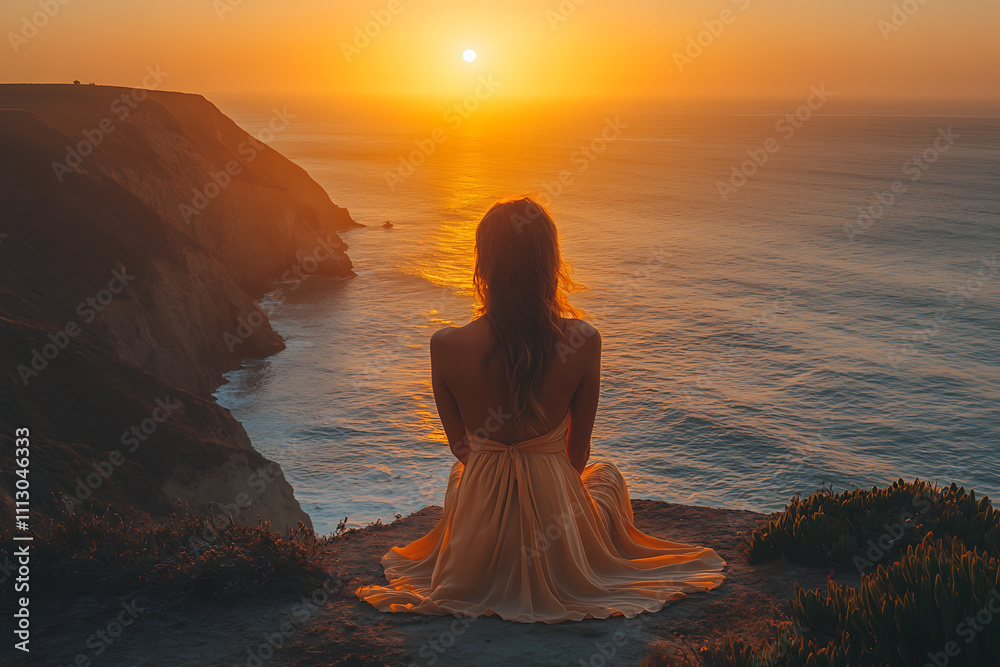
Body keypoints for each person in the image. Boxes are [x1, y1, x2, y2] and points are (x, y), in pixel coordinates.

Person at [356, 197, 726, 623]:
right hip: (554, 497)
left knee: (462, 477)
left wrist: (501, 478)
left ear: (483, 263)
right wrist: (543, 492)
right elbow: (578, 455)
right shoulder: (583, 340)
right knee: (604, 476)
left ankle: (478, 555)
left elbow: (460, 447)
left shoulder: (446, 345)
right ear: (550, 262)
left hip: (482, 495)